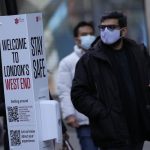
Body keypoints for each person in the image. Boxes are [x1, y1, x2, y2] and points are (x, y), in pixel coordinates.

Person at [71, 11, 150, 150]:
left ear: (123, 31)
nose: (105, 31)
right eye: (102, 28)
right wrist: (103, 113)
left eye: (111, 27)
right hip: (112, 134)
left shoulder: (138, 52)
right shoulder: (90, 59)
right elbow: (78, 94)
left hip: (138, 130)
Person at [57, 21, 98, 150]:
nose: (89, 37)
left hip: (106, 118)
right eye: (84, 34)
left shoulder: (102, 57)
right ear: (76, 39)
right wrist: (69, 114)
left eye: (91, 34)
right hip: (83, 120)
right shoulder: (67, 62)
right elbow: (65, 90)